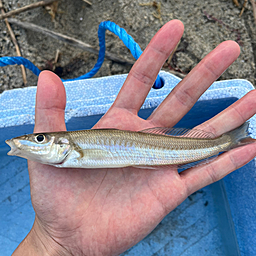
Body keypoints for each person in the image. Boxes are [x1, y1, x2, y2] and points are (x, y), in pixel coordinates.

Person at [13, 19, 256, 256]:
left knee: (211, 144)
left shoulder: (72, 149)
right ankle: (227, 141)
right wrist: (58, 245)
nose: (33, 143)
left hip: (169, 147)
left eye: (41, 139)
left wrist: (55, 247)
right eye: (39, 140)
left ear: (63, 143)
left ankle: (228, 141)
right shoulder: (66, 161)